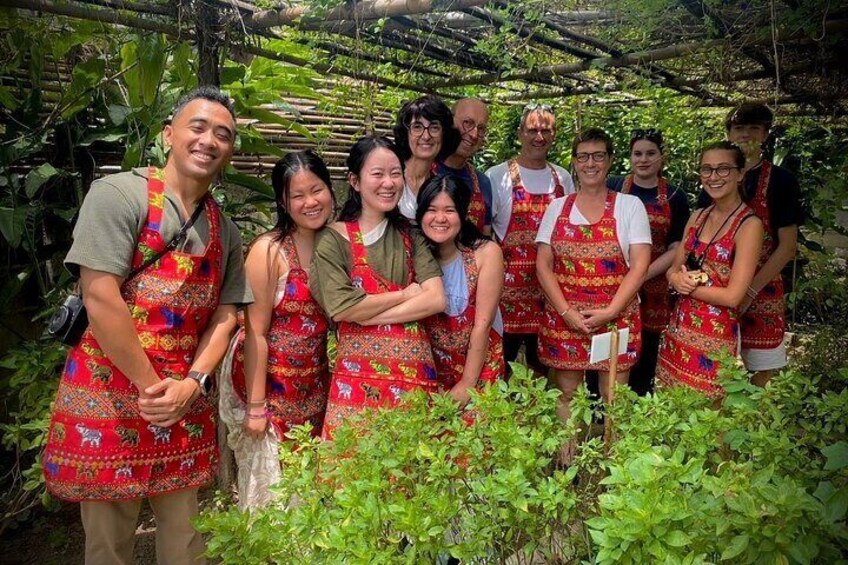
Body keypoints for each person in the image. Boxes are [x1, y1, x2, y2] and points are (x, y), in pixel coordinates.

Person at [42, 87, 252, 564]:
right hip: (112, 391)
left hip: (182, 395)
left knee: (186, 537)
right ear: (169, 134)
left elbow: (226, 314)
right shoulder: (119, 194)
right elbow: (100, 295)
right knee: (109, 542)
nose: (209, 141)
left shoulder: (225, 228)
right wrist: (154, 388)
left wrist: (193, 384)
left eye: (223, 134)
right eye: (197, 127)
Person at [309, 136, 446, 439]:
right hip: (356, 384)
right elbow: (342, 307)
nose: (388, 182)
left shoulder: (411, 236)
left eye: (395, 173)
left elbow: (435, 299)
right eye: (378, 174)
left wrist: (367, 314)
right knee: (351, 475)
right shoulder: (333, 239)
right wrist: (406, 294)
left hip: (412, 381)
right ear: (355, 181)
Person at [219, 151, 334, 508]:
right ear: (283, 202)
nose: (310, 202)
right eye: (297, 196)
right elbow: (256, 332)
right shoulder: (268, 251)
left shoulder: (338, 244)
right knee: (271, 489)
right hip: (266, 383)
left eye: (317, 190)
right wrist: (256, 406)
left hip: (313, 382)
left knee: (308, 480)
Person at [536, 127, 651, 434]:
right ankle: (567, 461)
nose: (591, 164)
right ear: (574, 161)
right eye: (583, 156)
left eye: (598, 156)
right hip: (566, 319)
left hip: (615, 318)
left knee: (613, 396)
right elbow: (543, 265)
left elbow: (640, 265)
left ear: (610, 160)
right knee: (567, 393)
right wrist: (565, 312)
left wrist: (611, 310)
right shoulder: (557, 207)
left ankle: (614, 466)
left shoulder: (629, 206)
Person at [657, 141, 763, 396]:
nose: (714, 177)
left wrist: (687, 288)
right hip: (680, 331)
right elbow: (673, 269)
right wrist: (675, 279)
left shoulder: (749, 225)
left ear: (740, 174)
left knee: (711, 416)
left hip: (716, 336)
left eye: (723, 169)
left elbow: (733, 296)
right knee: (675, 410)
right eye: (707, 170)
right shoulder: (698, 217)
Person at [485, 103, 575, 377]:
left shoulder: (563, 177)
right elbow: (486, 235)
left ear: (554, 134)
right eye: (533, 130)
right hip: (506, 296)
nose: (539, 137)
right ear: (520, 133)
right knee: (501, 370)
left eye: (545, 130)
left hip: (549, 295)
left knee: (544, 372)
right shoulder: (497, 176)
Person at [607, 129, 690, 395]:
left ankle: (638, 406)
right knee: (610, 343)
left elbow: (677, 245)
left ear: (661, 157)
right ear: (630, 157)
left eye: (650, 153)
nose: (643, 159)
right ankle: (601, 410)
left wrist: (642, 273)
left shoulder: (676, 197)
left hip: (654, 286)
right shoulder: (614, 186)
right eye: (638, 153)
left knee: (646, 347)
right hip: (613, 280)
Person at [724, 103, 802, 386]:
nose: (746, 135)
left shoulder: (781, 181)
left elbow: (787, 246)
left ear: (766, 134)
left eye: (754, 128)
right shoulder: (717, 176)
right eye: (739, 129)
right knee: (715, 364)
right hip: (720, 284)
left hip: (763, 286)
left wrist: (750, 290)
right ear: (730, 134)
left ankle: (750, 424)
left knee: (760, 369)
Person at [417, 174, 505, 404]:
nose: (440, 218)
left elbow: (483, 323)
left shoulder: (486, 253)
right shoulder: (411, 253)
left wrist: (467, 383)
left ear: (463, 213)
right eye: (431, 210)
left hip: (477, 366)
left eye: (449, 210)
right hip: (427, 369)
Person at [394, 95, 460, 221]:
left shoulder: (440, 186)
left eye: (434, 127)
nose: (426, 136)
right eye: (417, 127)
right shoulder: (391, 177)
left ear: (444, 134)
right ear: (406, 133)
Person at [435, 98, 494, 234]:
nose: (473, 134)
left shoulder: (482, 183)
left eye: (481, 128)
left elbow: (485, 238)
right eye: (467, 123)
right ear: (449, 123)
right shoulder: (424, 171)